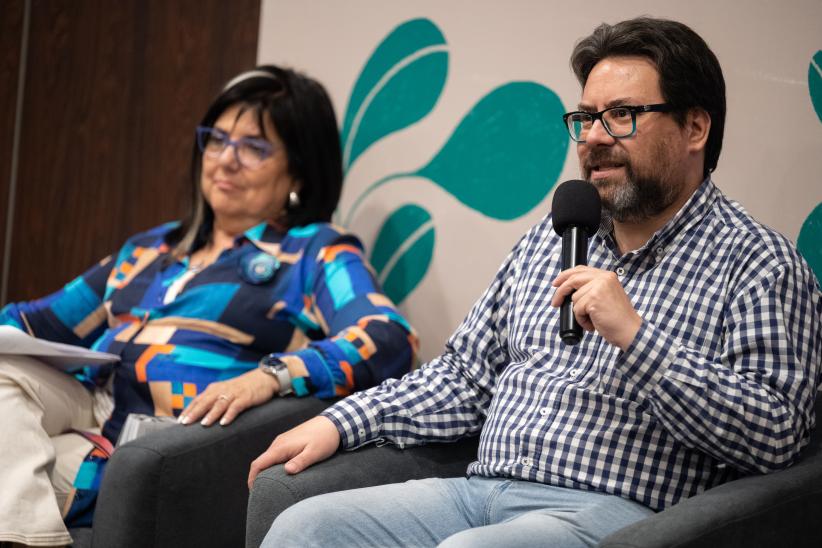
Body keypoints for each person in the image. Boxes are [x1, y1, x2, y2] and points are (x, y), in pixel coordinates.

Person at [249, 17, 822, 548]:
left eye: (621, 115)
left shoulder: (759, 263)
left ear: (695, 127)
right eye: (585, 118)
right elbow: (463, 378)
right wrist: (340, 422)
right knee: (306, 528)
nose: (593, 138)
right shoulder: (552, 236)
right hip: (479, 494)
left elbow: (776, 435)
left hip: (615, 511)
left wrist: (638, 340)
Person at [0, 65, 417, 547]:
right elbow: (34, 322)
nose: (224, 160)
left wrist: (273, 374)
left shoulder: (312, 252)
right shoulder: (151, 249)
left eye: (254, 148)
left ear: (298, 171)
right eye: (216, 140)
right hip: (92, 403)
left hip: (159, 445)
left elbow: (388, 336)